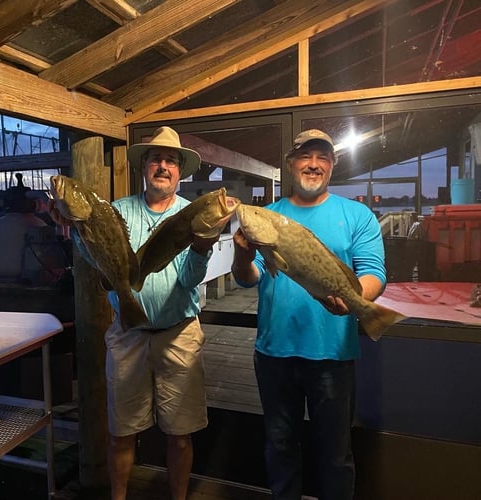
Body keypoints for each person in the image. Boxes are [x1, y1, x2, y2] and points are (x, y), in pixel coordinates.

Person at [48, 126, 218, 500]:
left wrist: (203, 249)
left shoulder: (194, 215)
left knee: (180, 433)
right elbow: (97, 260)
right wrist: (75, 229)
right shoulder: (116, 211)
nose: (163, 166)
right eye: (156, 158)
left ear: (179, 171)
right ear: (144, 166)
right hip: (128, 336)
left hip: (179, 335)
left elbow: (190, 280)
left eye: (170, 161)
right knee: (121, 431)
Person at [231, 129, 387, 500]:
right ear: (290, 164)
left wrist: (355, 301)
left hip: (332, 355)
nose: (313, 164)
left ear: (332, 165)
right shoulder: (266, 216)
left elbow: (373, 272)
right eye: (305, 156)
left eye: (322, 157)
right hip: (274, 354)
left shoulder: (357, 215)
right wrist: (241, 253)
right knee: (280, 447)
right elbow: (248, 278)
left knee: (335, 455)